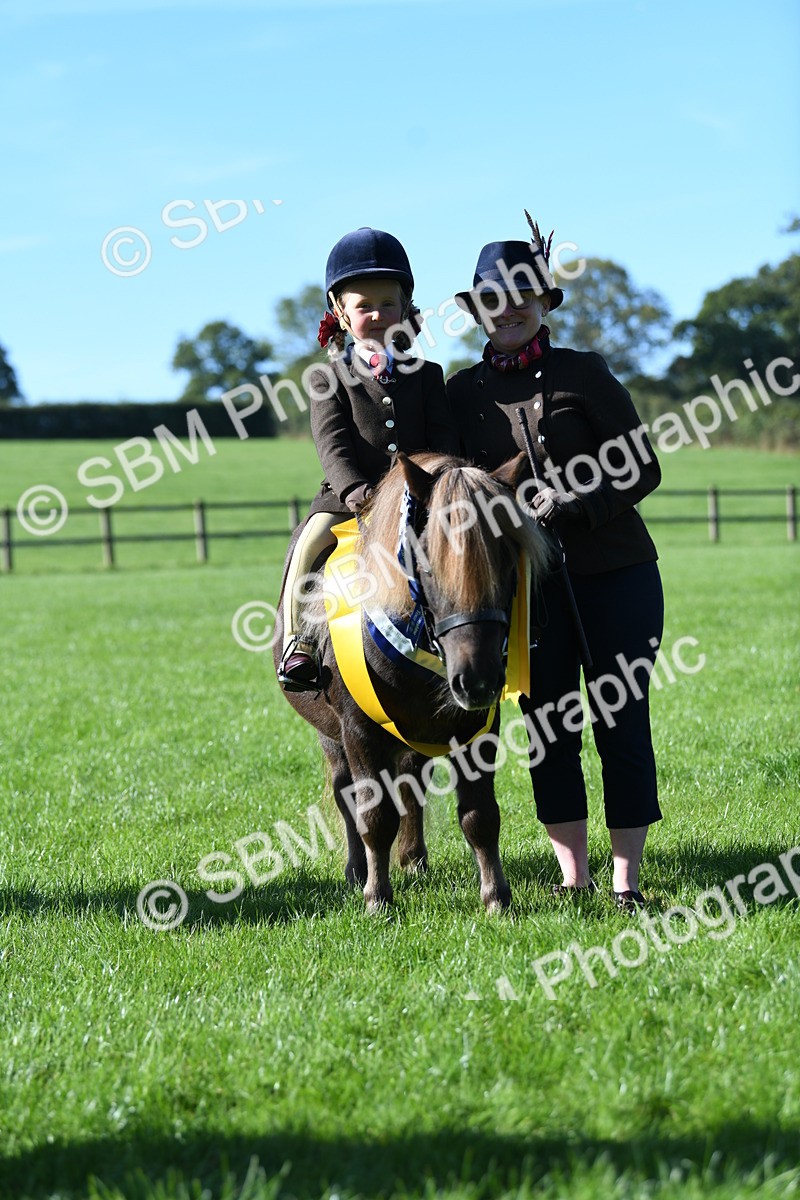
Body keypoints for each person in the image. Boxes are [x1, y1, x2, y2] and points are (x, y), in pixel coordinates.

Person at [446, 214, 664, 910]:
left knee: (622, 724)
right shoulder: (459, 395)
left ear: (543, 303)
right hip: (526, 592)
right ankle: (574, 882)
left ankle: (627, 883)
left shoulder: (584, 373)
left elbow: (642, 467)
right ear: (478, 311)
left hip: (617, 576)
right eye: (492, 298)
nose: (506, 308)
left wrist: (576, 500)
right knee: (549, 730)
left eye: (521, 294)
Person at [278, 226, 458, 691]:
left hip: (423, 494)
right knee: (308, 543)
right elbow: (332, 444)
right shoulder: (326, 378)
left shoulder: (429, 374)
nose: (377, 315)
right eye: (363, 306)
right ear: (341, 312)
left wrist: (435, 483)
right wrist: (357, 491)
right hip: (348, 498)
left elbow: (442, 436)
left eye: (388, 303)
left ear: (406, 309)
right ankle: (298, 641)